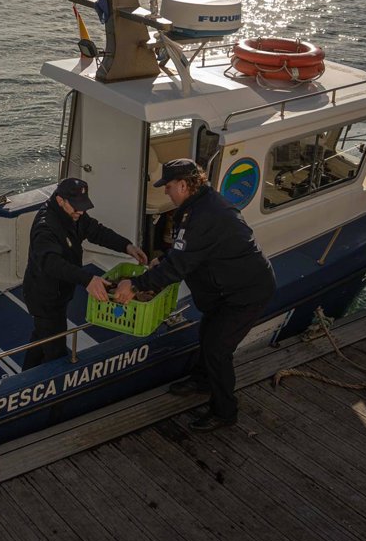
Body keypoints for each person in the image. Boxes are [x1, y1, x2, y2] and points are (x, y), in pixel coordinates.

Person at [113, 159, 275, 432]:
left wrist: (135, 285)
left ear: (183, 185)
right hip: (224, 290)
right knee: (208, 332)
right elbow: (186, 251)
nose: (166, 192)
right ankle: (202, 381)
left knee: (217, 349)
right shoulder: (199, 206)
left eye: (168, 186)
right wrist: (163, 259)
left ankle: (225, 412)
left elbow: (179, 266)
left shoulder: (204, 215)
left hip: (245, 292)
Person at [22, 178, 148, 369]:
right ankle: (52, 384)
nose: (80, 212)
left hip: (60, 291)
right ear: (60, 200)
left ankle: (26, 374)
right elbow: (50, 263)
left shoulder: (75, 215)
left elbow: (97, 232)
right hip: (45, 296)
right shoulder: (45, 226)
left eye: (83, 206)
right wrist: (87, 280)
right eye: (76, 206)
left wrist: (126, 246)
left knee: (42, 335)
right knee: (55, 350)